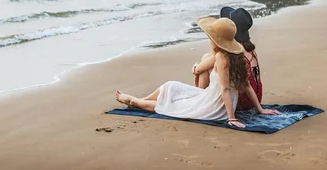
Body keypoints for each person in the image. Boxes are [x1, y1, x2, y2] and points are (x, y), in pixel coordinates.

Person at [115, 17, 279, 128]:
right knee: (171, 86)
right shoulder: (237, 53)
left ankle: (134, 102)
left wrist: (231, 118)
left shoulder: (222, 57)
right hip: (214, 98)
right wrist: (260, 109)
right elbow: (246, 85)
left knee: (172, 106)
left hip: (215, 104)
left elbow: (225, 89)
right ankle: (140, 100)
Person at [192, 7, 262, 110]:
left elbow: (198, 70)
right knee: (209, 58)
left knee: (206, 60)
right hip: (257, 95)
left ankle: (200, 98)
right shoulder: (251, 49)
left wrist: (194, 67)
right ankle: (201, 96)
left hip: (242, 99)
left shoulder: (231, 52)